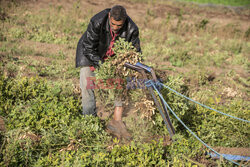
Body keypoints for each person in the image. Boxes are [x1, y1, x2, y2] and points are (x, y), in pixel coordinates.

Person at [76, 5, 141, 140]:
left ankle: (116, 121)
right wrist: (101, 65)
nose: (116, 28)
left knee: (121, 82)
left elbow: (135, 52)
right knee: (87, 83)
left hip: (113, 59)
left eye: (119, 25)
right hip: (91, 54)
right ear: (109, 17)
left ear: (124, 21)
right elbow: (88, 47)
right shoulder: (97, 21)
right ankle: (89, 121)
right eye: (113, 24)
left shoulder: (132, 29)